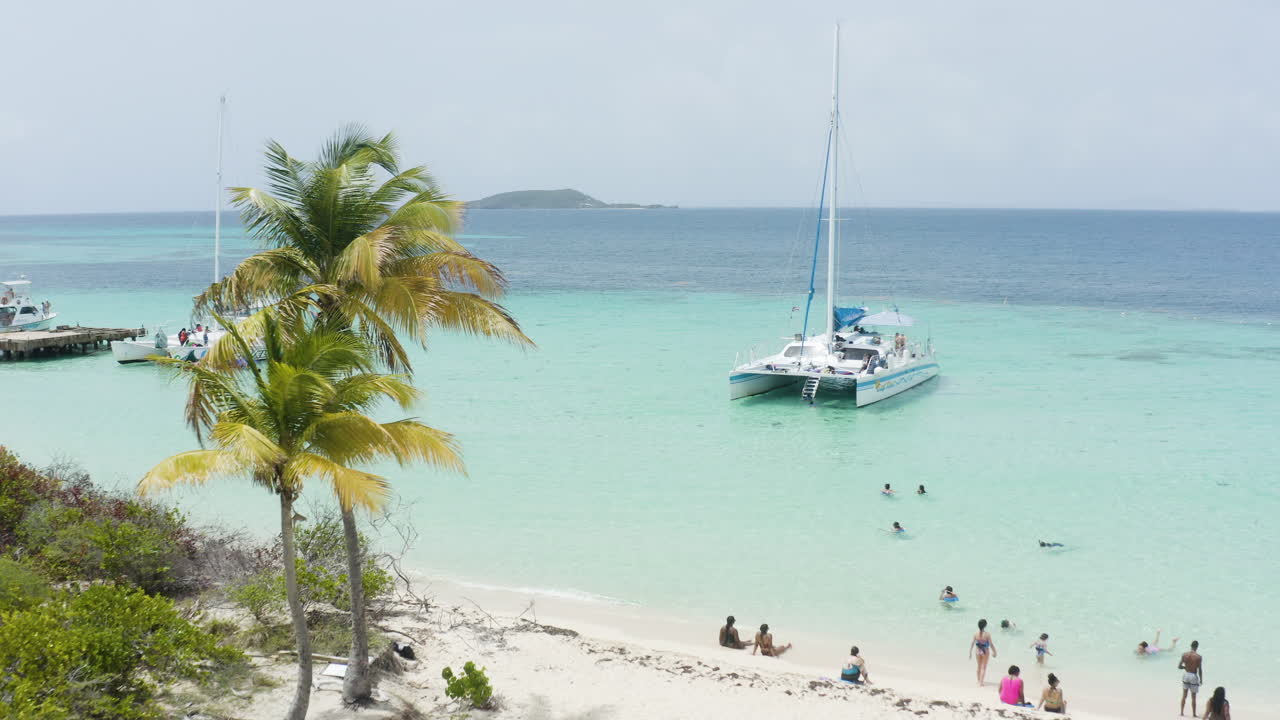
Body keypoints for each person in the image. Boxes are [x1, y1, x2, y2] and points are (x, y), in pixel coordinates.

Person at [1179, 640, 1203, 717]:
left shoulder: (1184, 655)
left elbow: (1179, 666)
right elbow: (1200, 669)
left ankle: (1182, 712)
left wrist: (1185, 667)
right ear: (1197, 647)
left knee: (1184, 695)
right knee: (1193, 697)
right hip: (1193, 675)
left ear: (1191, 645)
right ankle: (1194, 714)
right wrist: (1201, 679)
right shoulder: (1198, 657)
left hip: (1186, 675)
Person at [969, 618, 996, 686]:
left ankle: (978, 680)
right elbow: (991, 644)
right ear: (985, 626)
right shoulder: (987, 634)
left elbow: (972, 643)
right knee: (983, 667)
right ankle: (981, 682)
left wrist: (970, 652)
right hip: (985, 651)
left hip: (978, 650)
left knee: (979, 666)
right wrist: (994, 651)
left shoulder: (976, 634)